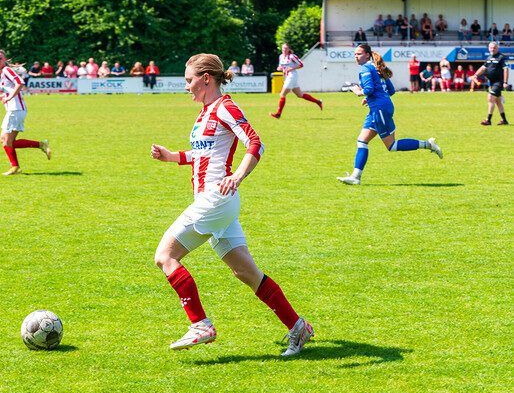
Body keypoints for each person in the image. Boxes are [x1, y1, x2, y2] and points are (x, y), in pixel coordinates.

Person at [150, 53, 313, 355]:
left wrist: (237, 175)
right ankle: (298, 327)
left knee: (165, 255)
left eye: (189, 81)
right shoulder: (204, 113)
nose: (187, 87)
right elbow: (203, 154)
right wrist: (172, 156)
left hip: (216, 198)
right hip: (215, 202)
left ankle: (200, 324)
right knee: (247, 273)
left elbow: (256, 142)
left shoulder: (225, 107)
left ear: (206, 79)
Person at [337, 45, 442, 185]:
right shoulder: (376, 68)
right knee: (362, 141)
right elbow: (390, 90)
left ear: (367, 55)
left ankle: (428, 144)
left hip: (379, 109)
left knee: (391, 145)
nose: (356, 56)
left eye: (359, 54)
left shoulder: (366, 69)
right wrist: (371, 98)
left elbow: (368, 89)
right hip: (379, 108)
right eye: (355, 54)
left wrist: (357, 91)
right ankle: (356, 177)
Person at [0, 49, 52, 175]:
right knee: (6, 141)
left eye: (0, 58)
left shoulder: (6, 70)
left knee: (6, 141)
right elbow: (8, 92)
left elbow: (20, 83)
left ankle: (17, 165)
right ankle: (39, 147)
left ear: (5, 59)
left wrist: (10, 97)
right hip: (15, 109)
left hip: (15, 109)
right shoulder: (3, 73)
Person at [271, 43, 322, 119]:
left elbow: (301, 64)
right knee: (300, 95)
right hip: (287, 77)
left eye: (285, 48)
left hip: (292, 76)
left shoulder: (292, 56)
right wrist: (280, 68)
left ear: (289, 49)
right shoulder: (281, 56)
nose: (284, 50)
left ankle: (278, 114)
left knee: (282, 94)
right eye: (283, 48)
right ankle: (318, 102)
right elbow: (281, 66)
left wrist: (291, 68)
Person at [473, 41, 508, 125]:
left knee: (490, 98)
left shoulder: (501, 57)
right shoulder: (488, 58)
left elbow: (506, 69)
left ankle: (488, 120)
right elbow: (483, 68)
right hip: (492, 83)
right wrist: (475, 75)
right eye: (491, 47)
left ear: (497, 48)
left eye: (494, 47)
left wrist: (505, 82)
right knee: (498, 101)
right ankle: (504, 120)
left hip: (498, 82)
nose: (492, 49)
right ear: (489, 48)